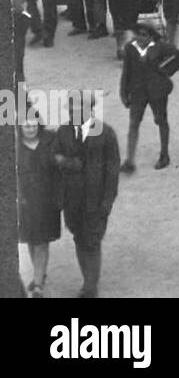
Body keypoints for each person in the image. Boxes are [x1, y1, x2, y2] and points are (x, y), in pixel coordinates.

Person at [53, 93, 120, 298]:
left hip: (95, 200)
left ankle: (90, 287)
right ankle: (87, 282)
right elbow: (54, 156)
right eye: (71, 108)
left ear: (90, 109)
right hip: (71, 200)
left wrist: (108, 201)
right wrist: (66, 162)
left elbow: (112, 170)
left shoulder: (105, 133)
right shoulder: (63, 131)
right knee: (79, 238)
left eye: (79, 108)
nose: (74, 112)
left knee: (91, 241)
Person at [119, 19, 179, 172]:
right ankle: (130, 160)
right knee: (134, 123)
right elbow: (126, 71)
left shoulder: (161, 47)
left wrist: (165, 71)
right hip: (137, 92)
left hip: (157, 91)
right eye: (138, 34)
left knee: (161, 121)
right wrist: (124, 92)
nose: (139, 37)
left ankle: (164, 154)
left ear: (151, 36)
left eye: (143, 35)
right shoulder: (130, 48)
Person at [18, 114, 61, 298]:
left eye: (34, 125)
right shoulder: (15, 147)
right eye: (26, 126)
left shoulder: (50, 142)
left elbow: (59, 171)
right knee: (30, 240)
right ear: (20, 128)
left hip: (47, 201)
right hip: (25, 202)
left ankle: (37, 285)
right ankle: (39, 274)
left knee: (42, 242)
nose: (31, 129)